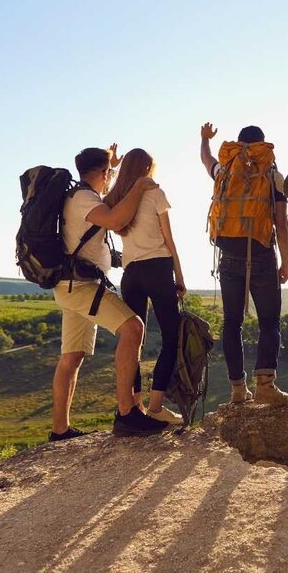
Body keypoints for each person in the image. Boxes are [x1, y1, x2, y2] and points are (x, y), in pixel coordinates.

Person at [50, 144, 167, 440]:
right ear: (102, 173)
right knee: (133, 328)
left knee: (71, 357)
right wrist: (140, 185)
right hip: (82, 286)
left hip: (69, 285)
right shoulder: (84, 199)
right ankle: (127, 414)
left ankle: (60, 430)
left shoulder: (77, 196)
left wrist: (113, 168)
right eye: (108, 173)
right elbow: (116, 219)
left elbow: (109, 201)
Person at [200, 123, 288, 405]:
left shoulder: (225, 170)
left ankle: (238, 389)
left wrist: (204, 139)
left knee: (232, 322)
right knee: (269, 322)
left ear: (239, 144)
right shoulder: (273, 174)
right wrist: (285, 261)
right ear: (262, 145)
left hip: (228, 256)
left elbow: (207, 161)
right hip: (261, 254)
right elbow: (281, 221)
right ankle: (265, 386)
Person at [104, 148, 185, 425]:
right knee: (171, 337)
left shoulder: (118, 200)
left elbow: (105, 193)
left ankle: (135, 405)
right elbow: (169, 239)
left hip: (131, 274)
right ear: (148, 169)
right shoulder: (155, 194)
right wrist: (180, 277)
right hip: (158, 268)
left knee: (133, 341)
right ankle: (156, 406)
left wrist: (112, 168)